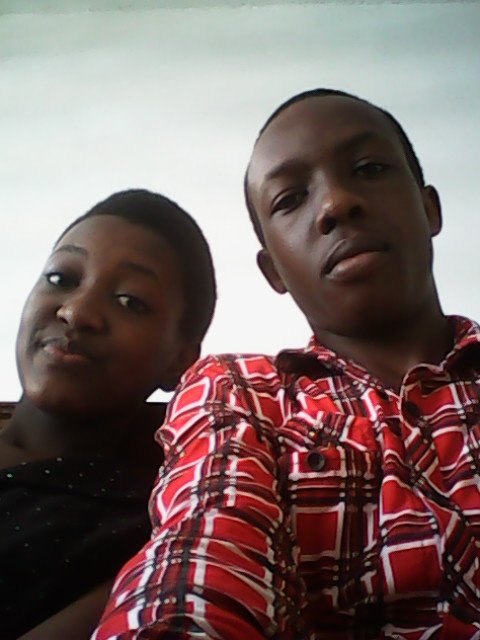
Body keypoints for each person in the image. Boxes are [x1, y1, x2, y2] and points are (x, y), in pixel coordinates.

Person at [93, 91, 480, 639]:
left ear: (430, 209)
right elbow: (205, 545)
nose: (336, 203)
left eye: (369, 169)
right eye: (291, 198)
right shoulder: (239, 391)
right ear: (273, 270)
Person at [0, 188, 216, 640]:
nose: (77, 312)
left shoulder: (148, 537)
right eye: (61, 277)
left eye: (129, 301)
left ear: (181, 360)